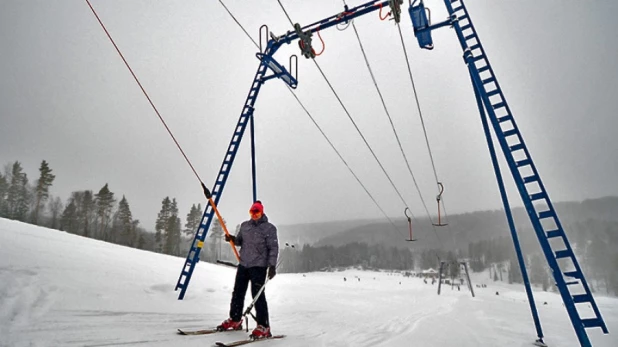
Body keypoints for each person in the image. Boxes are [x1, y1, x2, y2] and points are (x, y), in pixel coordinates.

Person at [217, 200, 279, 339]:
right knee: (238, 292)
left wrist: (272, 265)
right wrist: (232, 239)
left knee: (257, 295)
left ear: (261, 212)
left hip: (259, 266)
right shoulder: (245, 226)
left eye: (256, 212)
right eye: (252, 212)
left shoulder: (269, 228)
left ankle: (263, 326)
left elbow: (273, 248)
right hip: (244, 264)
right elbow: (240, 241)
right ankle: (235, 319)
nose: (254, 215)